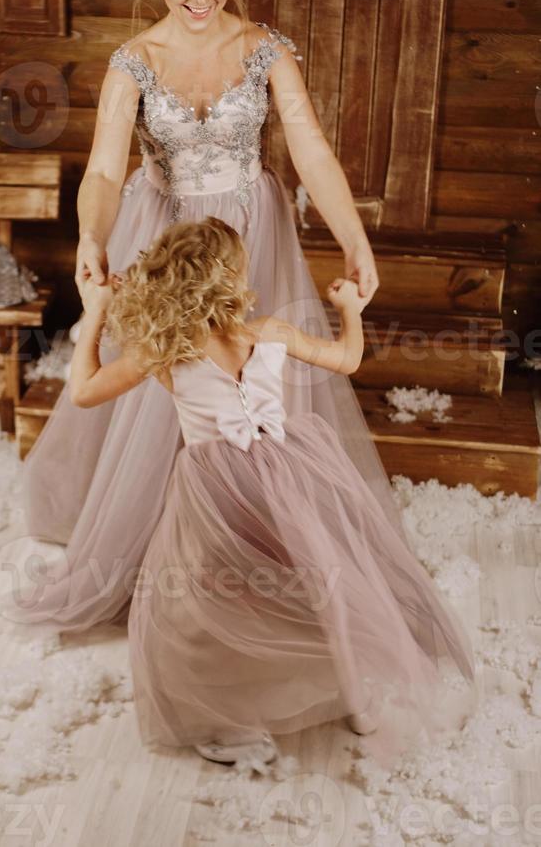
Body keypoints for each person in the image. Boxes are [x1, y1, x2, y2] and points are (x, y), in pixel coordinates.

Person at [19, 0, 401, 632]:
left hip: (247, 237)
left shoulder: (265, 50)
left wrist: (355, 238)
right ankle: (153, 543)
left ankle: (253, 539)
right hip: (161, 235)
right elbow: (102, 171)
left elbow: (312, 150)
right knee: (156, 383)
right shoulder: (135, 61)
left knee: (247, 384)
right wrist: (91, 239)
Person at [66, 216, 478, 770]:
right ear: (232, 278)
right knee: (316, 580)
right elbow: (348, 361)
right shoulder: (272, 332)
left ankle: (227, 712)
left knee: (211, 599)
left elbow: (85, 392)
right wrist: (350, 311)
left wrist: (94, 312)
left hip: (219, 491)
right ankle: (354, 698)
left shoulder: (164, 351)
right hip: (291, 474)